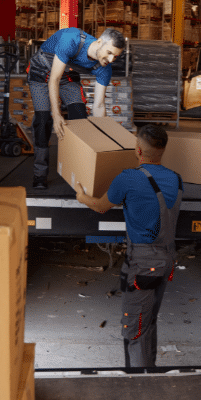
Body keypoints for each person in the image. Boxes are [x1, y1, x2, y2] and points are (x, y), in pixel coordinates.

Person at [75, 124, 183, 368]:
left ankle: (140, 385)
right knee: (148, 320)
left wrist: (82, 197)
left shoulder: (128, 178)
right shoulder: (176, 179)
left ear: (138, 150)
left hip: (144, 264)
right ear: (163, 150)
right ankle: (149, 373)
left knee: (135, 329)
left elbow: (101, 206)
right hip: (166, 260)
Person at [27, 27, 126, 189]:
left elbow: (99, 106)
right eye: (109, 52)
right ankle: (39, 174)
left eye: (115, 56)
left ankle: (77, 171)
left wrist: (103, 142)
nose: (111, 59)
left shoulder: (105, 68)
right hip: (40, 74)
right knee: (44, 120)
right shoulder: (71, 39)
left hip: (67, 78)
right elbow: (54, 79)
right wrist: (57, 114)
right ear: (99, 42)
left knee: (80, 117)